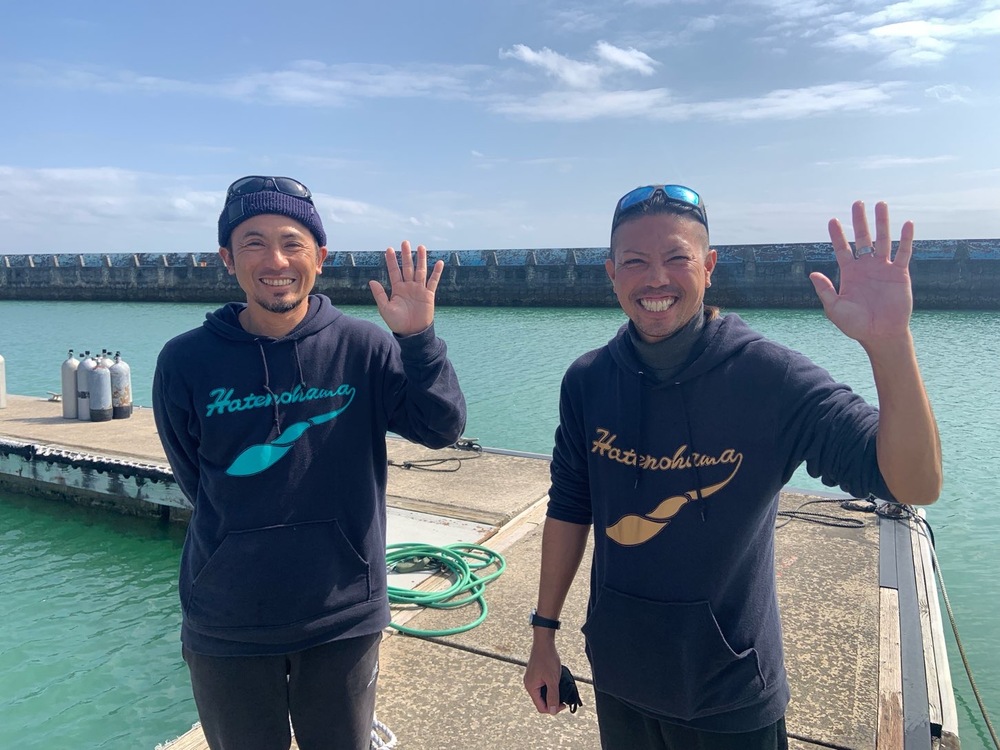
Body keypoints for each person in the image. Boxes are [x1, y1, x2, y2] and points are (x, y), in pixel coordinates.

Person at [523, 184, 942, 750]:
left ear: (710, 266)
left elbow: (915, 483)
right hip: (619, 676)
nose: (656, 279)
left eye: (677, 258)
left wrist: (889, 344)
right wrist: (543, 636)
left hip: (731, 692)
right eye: (636, 262)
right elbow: (570, 507)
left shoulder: (768, 378)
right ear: (611, 273)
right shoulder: (588, 380)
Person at [153, 175, 466, 750]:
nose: (276, 261)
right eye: (253, 243)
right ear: (226, 258)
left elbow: (441, 427)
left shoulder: (363, 347)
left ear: (320, 257)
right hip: (227, 618)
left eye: (292, 243)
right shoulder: (185, 360)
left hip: (341, 614)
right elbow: (195, 477)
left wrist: (419, 339)